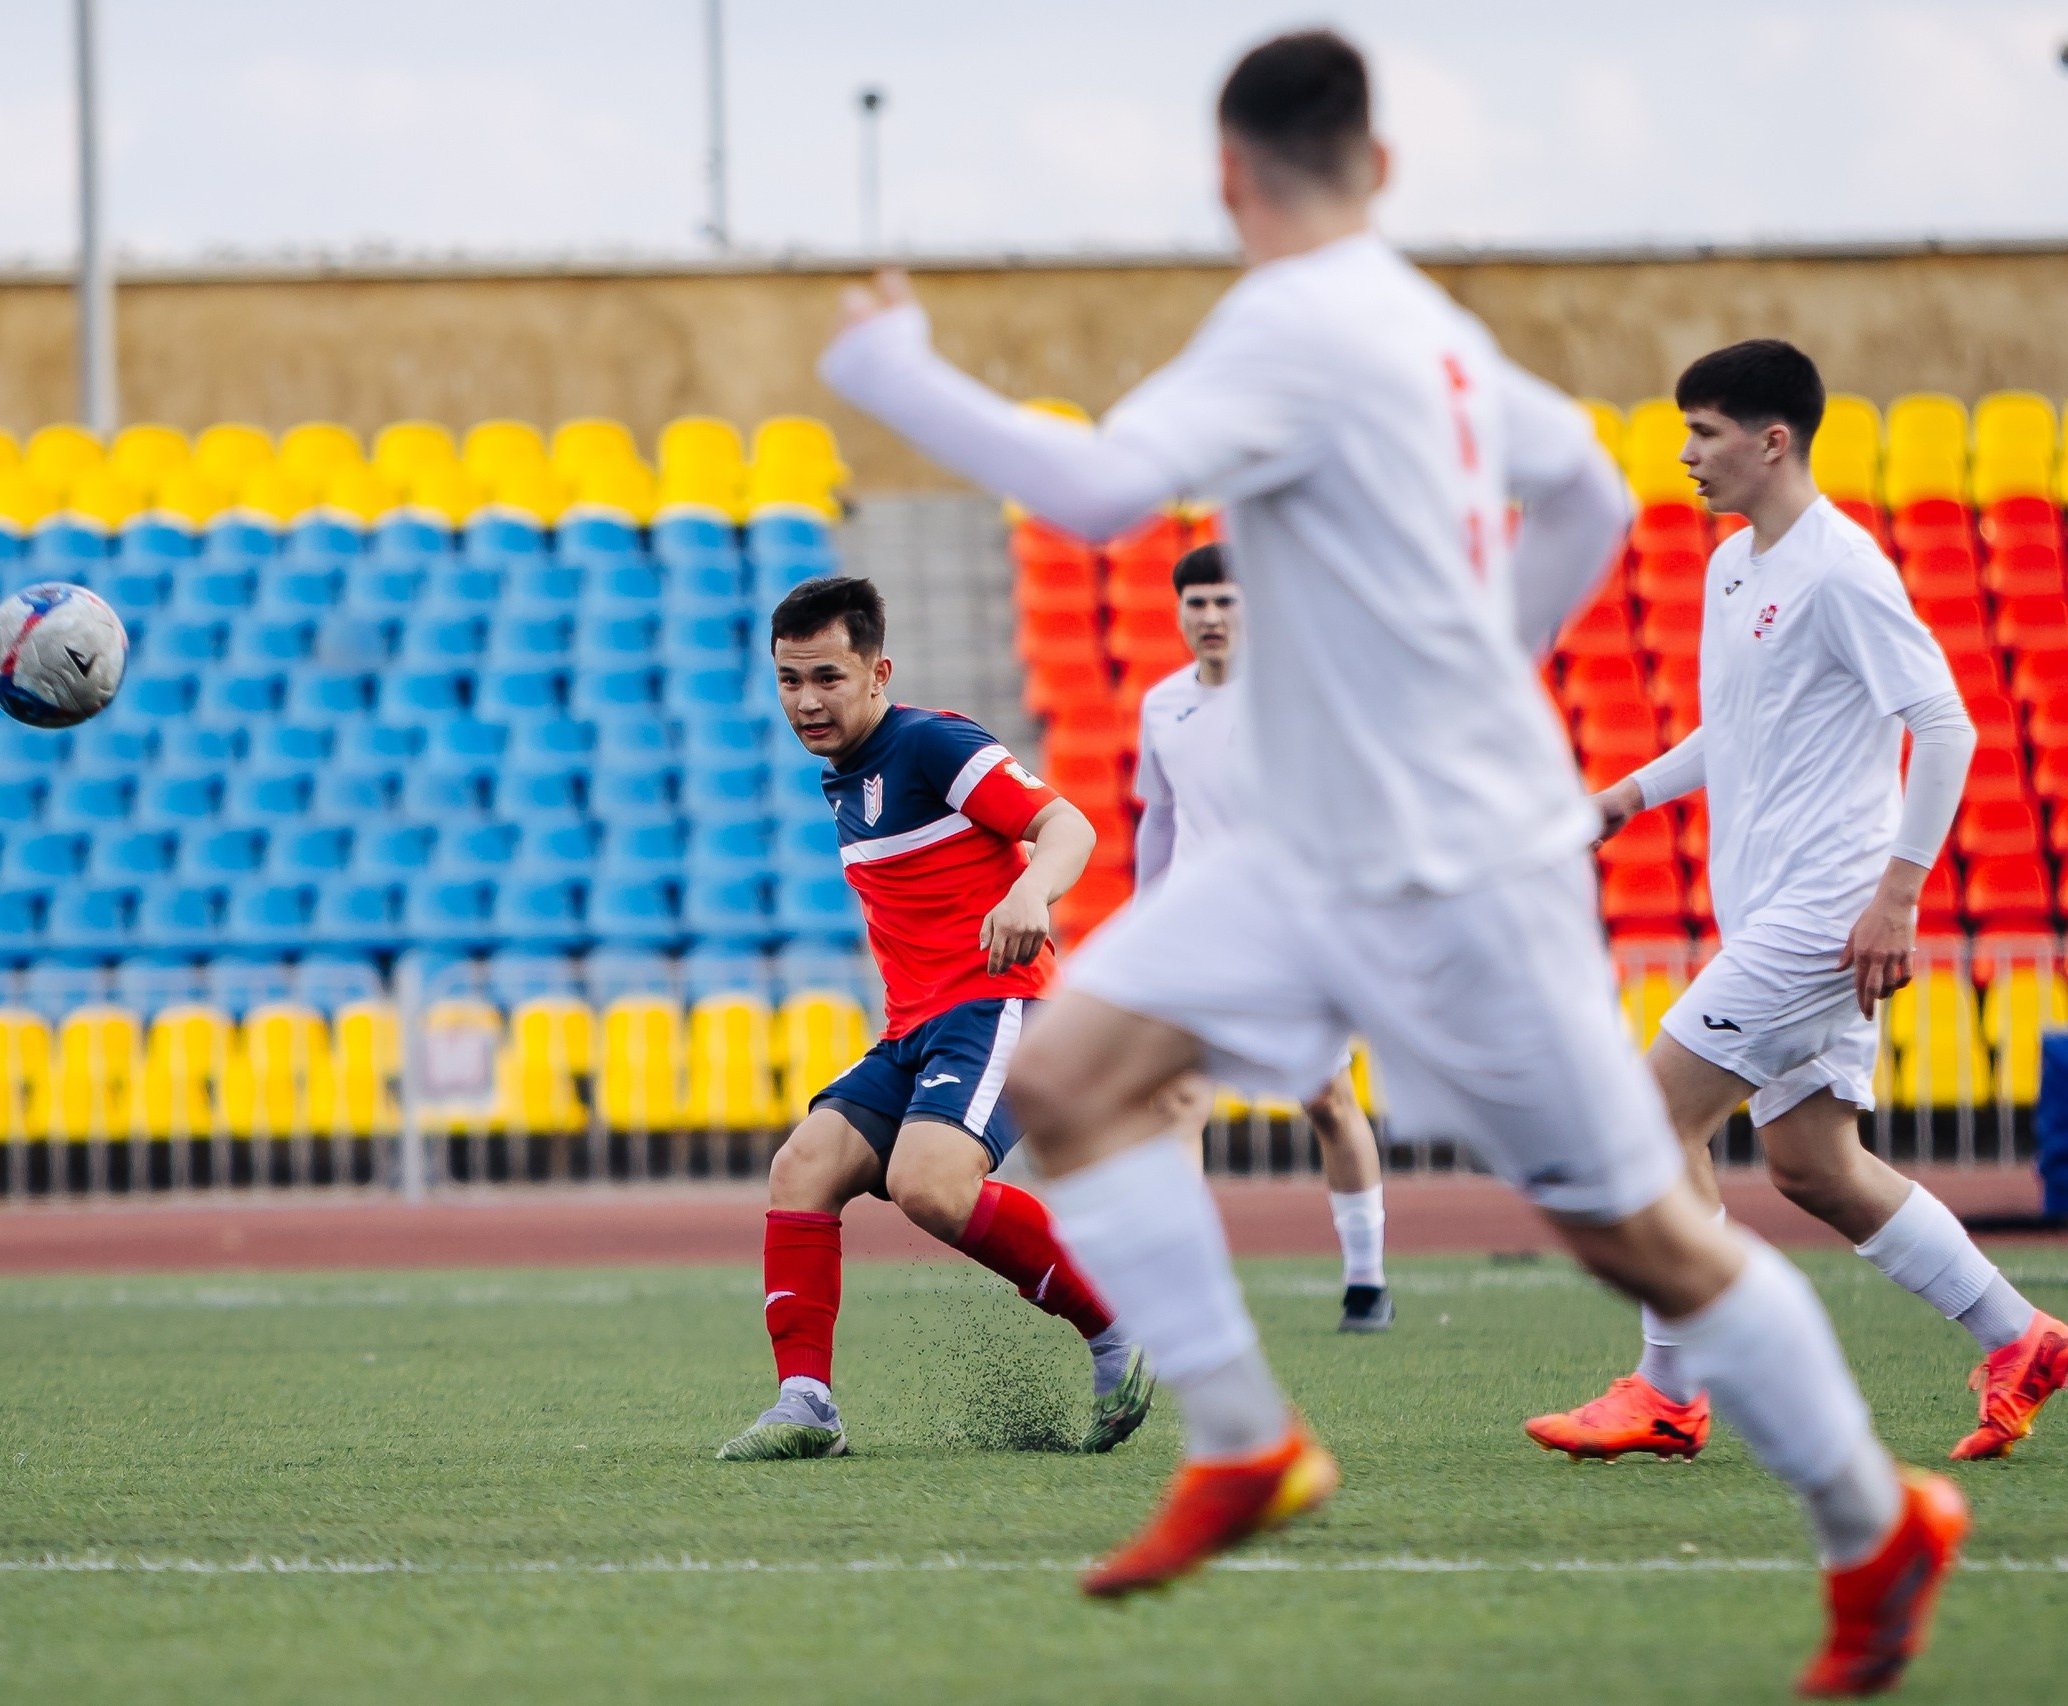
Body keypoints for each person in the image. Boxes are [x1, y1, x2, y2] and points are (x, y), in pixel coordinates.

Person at [819, 31, 1967, 1697]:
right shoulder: (1424, 323)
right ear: (1384, 167)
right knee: (1071, 1071)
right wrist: (1484, 655)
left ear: (1226, 178)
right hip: (1315, 849)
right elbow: (1578, 485)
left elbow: (1094, 489)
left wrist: (896, 370)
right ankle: (1247, 1434)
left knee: (1648, 1235)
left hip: (1455, 870)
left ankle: (1878, 1521)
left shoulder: (1298, 320)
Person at [1525, 340, 2068, 1467]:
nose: (1682, 456)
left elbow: (1945, 724)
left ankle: (1669, 1390)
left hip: (1824, 914)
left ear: (1771, 440)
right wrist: (1625, 796)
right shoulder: (1732, 567)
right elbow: (1732, 728)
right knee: (1814, 1165)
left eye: (1703, 433)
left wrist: (1898, 894)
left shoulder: (1842, 569)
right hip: (1776, 909)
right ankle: (2017, 1336)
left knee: (1647, 1122)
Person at [717, 575, 1154, 1462]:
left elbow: (1067, 824)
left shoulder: (932, 743)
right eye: (790, 681)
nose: (807, 701)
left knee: (929, 1185)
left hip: (997, 1005)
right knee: (801, 1168)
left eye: (828, 679)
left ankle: (1119, 1324)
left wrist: (1032, 888)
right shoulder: (844, 775)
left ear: (878, 672)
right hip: (914, 1029)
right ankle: (807, 1407)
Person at [1135, 541, 1393, 1332]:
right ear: (1179, 612)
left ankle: (1366, 1277)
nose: (1210, 617)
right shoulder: (1162, 705)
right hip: (1195, 930)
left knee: (1326, 1100)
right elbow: (1161, 815)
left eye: (1226, 601)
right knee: (1179, 1099)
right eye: (1197, 603)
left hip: (1289, 929)